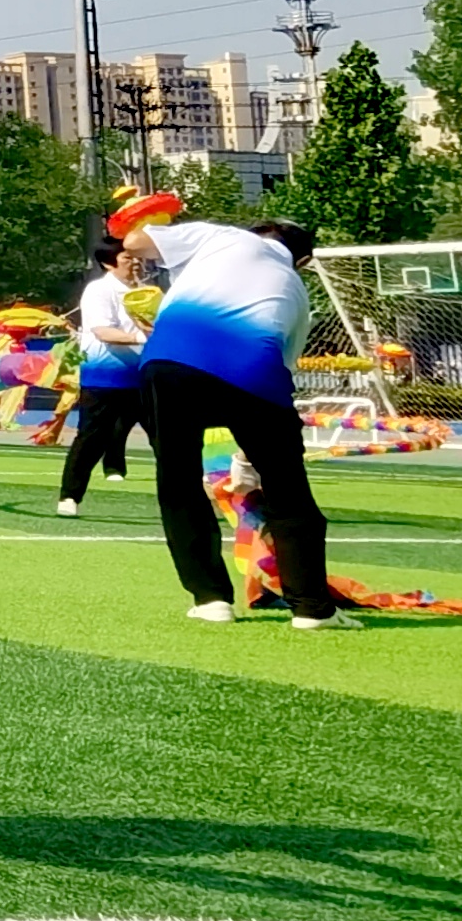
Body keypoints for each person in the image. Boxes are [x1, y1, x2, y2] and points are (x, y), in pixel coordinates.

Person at [122, 208, 344, 627]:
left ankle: (211, 601)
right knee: (288, 490)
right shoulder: (297, 291)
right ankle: (312, 609)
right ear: (302, 261)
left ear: (256, 232)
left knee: (179, 483)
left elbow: (133, 243)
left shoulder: (220, 236)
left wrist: (144, 214)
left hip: (170, 363)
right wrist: (246, 460)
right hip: (253, 373)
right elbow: (281, 373)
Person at [54, 233, 148, 518]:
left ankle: (188, 498)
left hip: (145, 376)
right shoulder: (99, 290)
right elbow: (103, 331)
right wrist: (144, 337)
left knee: (168, 438)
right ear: (109, 263)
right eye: (127, 258)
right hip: (105, 378)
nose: (135, 263)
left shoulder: (147, 291)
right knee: (91, 438)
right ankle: (70, 496)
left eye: (137, 257)